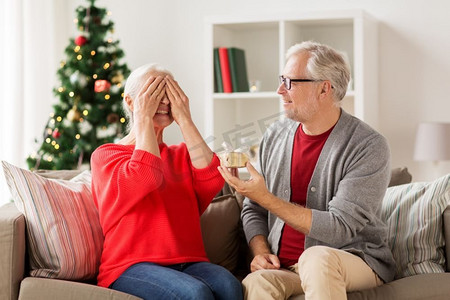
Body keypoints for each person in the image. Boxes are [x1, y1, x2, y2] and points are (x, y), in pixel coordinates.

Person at [218, 41, 396, 300]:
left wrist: (265, 197)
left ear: (324, 88)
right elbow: (254, 208)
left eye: (290, 82)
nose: (280, 90)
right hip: (286, 266)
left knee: (316, 258)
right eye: (282, 80)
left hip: (354, 260)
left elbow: (339, 227)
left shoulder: (368, 146)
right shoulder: (275, 135)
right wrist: (259, 251)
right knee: (257, 283)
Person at [91, 63, 243, 300]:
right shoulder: (107, 155)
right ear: (130, 103)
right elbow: (146, 175)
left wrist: (185, 119)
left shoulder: (181, 154)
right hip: (130, 266)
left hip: (189, 262)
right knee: (196, 294)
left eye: (169, 95)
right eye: (153, 94)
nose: (163, 102)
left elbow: (212, 178)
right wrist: (142, 117)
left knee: (229, 286)